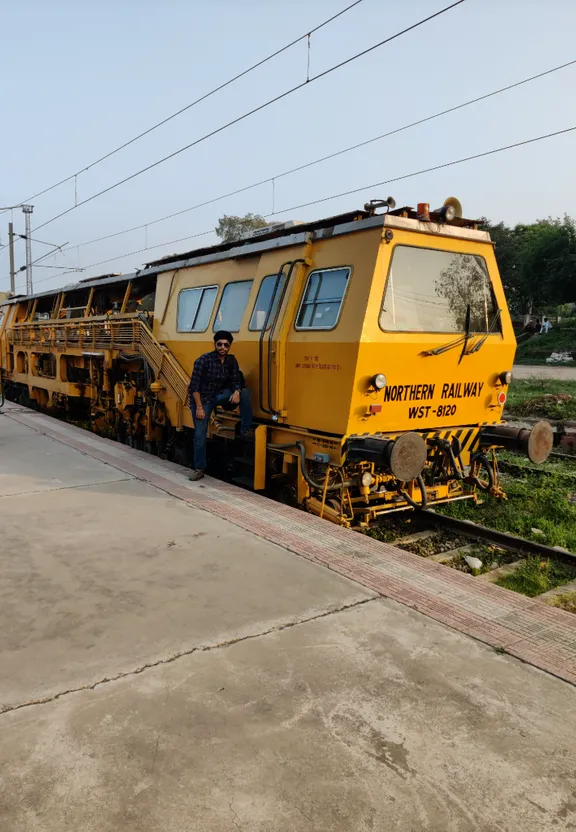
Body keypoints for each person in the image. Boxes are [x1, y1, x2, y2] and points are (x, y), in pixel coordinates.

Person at [188, 330, 253, 481]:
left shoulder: (231, 361)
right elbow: (194, 387)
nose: (222, 347)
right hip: (202, 399)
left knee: (244, 393)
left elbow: (236, 379)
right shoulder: (203, 361)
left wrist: (237, 390)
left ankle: (245, 429)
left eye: (226, 345)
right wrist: (199, 408)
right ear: (215, 344)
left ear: (229, 346)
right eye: (219, 344)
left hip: (219, 395)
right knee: (200, 435)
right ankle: (199, 468)